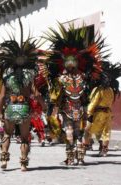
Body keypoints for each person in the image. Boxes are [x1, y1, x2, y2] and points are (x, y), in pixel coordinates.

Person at [45, 23, 109, 165]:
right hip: (79, 109)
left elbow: (56, 97)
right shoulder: (82, 79)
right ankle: (80, 157)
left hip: (68, 108)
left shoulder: (62, 79)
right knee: (79, 132)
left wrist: (55, 112)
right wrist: (85, 110)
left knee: (69, 130)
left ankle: (70, 158)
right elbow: (85, 96)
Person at [0, 20, 45, 171]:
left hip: (10, 108)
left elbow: (2, 96)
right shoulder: (29, 76)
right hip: (24, 109)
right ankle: (23, 164)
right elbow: (36, 95)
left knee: (7, 134)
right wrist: (43, 105)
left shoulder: (7, 76)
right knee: (24, 137)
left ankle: (4, 161)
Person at [84, 63, 121, 157]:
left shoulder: (98, 89)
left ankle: (85, 147)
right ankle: (104, 150)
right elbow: (111, 102)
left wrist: (89, 113)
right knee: (106, 132)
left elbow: (93, 102)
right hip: (108, 113)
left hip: (98, 114)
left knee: (88, 130)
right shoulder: (111, 90)